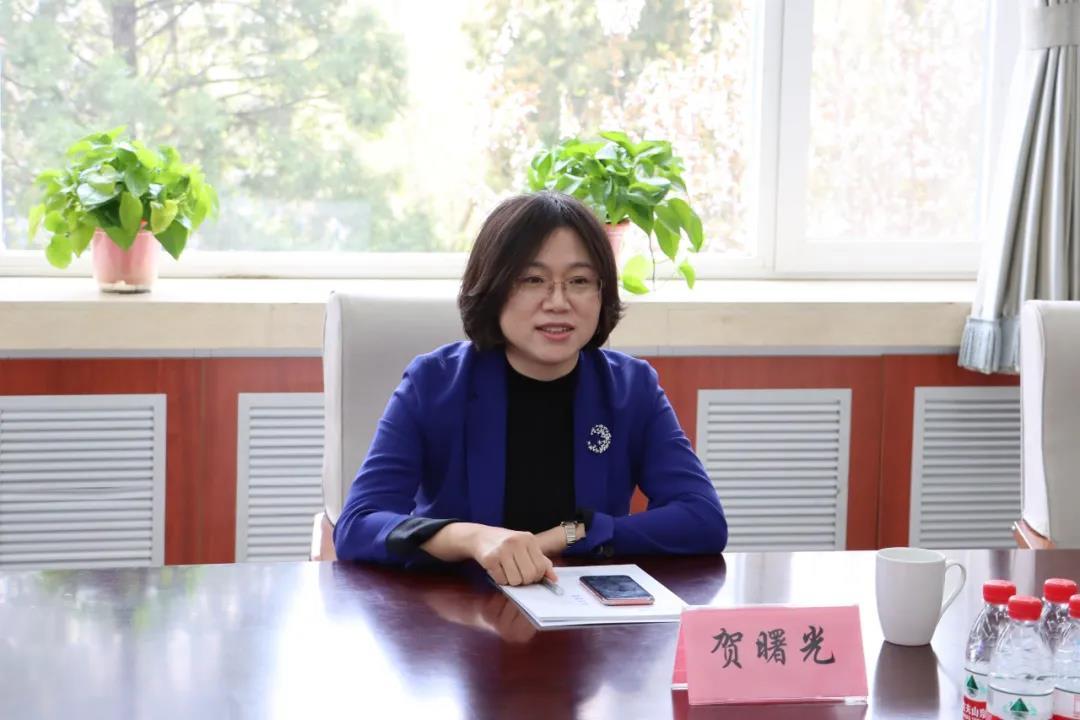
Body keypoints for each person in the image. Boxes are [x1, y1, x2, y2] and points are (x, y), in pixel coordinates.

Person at [333, 191, 727, 585]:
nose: (558, 302)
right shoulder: (434, 383)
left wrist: (572, 533)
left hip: (582, 609)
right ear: (494, 287)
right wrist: (472, 538)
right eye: (532, 280)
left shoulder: (630, 388)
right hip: (457, 607)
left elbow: (703, 518)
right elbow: (357, 525)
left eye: (579, 281)